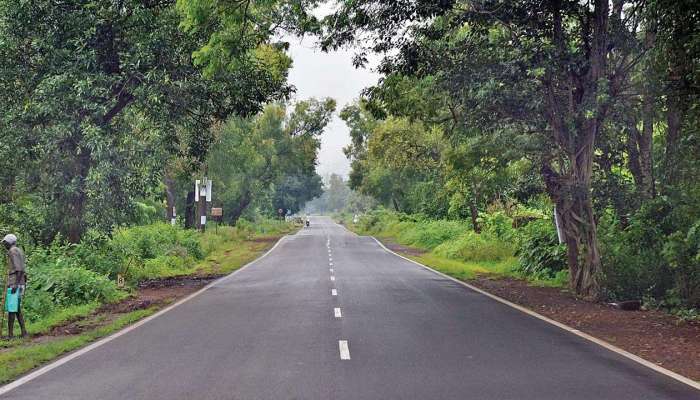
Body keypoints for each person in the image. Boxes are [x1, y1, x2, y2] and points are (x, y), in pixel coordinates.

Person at [3, 234, 27, 338]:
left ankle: (10, 335)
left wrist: (15, 285)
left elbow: (19, 269)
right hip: (18, 282)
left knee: (12, 309)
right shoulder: (18, 250)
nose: (4, 245)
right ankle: (24, 332)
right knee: (16, 308)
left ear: (9, 242)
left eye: (5, 243)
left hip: (15, 283)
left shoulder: (13, 251)